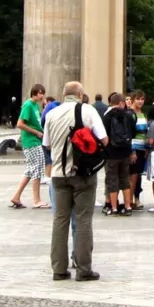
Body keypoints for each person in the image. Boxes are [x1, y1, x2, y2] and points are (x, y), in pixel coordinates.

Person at [43, 81, 106, 280]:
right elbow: (104, 140)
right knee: (83, 220)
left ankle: (59, 269)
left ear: (64, 95)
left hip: (59, 175)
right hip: (82, 174)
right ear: (80, 94)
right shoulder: (87, 111)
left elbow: (47, 144)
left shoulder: (52, 113)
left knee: (60, 220)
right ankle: (83, 269)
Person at [11, 84, 48, 210]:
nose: (43, 96)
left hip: (34, 140)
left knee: (31, 169)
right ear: (35, 93)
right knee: (37, 170)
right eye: (41, 93)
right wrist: (36, 132)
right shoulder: (28, 105)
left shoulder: (35, 106)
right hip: (32, 141)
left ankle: (16, 196)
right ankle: (36, 200)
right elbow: (20, 124)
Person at [100, 92, 135, 217]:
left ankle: (114, 207)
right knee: (125, 179)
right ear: (121, 103)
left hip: (111, 154)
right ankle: (127, 206)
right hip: (125, 153)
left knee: (112, 180)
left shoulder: (107, 116)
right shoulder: (129, 116)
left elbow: (103, 135)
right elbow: (132, 134)